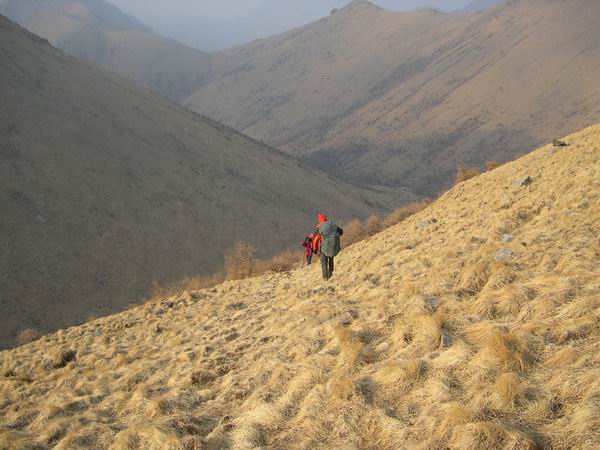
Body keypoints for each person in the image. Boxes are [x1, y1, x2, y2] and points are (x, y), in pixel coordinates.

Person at [314, 213, 343, 280]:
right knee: (331, 260)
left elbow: (316, 239)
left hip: (323, 247)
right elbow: (341, 232)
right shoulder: (332, 225)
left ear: (319, 219)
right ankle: (330, 274)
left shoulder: (319, 227)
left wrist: (315, 250)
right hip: (331, 246)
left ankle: (325, 277)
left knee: (324, 261)